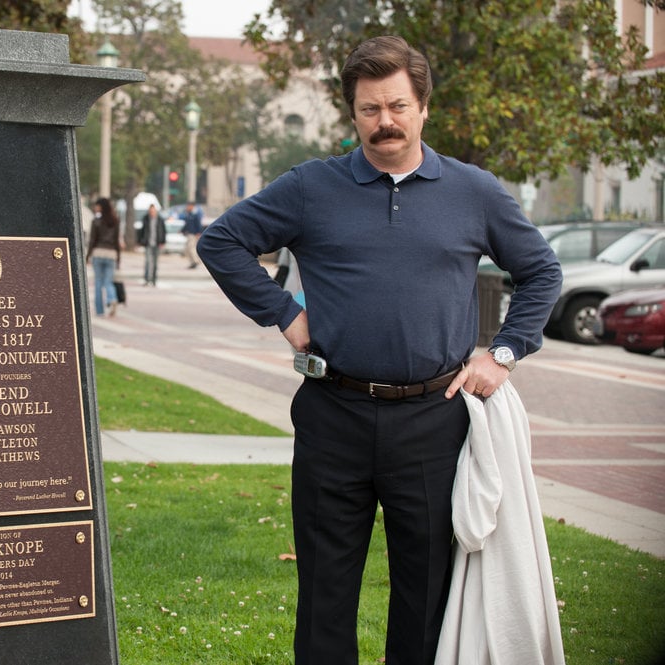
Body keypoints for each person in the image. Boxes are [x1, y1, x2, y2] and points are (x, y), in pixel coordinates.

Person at [197, 35, 562, 665]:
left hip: (432, 420)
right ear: (353, 114)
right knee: (325, 594)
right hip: (331, 415)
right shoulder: (312, 187)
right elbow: (222, 241)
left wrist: (501, 354)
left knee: (425, 597)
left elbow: (542, 274)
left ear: (423, 107)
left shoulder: (473, 192)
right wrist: (284, 313)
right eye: (370, 109)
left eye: (397, 105)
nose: (385, 121)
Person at [85, 197, 121, 317]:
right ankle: (112, 298)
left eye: (97, 205)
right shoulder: (115, 220)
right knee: (108, 281)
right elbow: (116, 241)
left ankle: (99, 310)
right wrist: (118, 257)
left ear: (101, 206)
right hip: (111, 254)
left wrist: (88, 255)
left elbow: (92, 240)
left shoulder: (96, 221)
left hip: (98, 253)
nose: (95, 208)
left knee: (98, 283)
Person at [138, 203, 167, 286]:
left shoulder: (160, 219)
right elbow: (142, 231)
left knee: (155, 263)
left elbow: (163, 231)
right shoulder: (146, 219)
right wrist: (141, 241)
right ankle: (147, 279)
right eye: (150, 211)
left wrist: (163, 241)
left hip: (157, 243)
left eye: (153, 211)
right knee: (147, 262)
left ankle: (154, 279)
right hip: (148, 243)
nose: (152, 213)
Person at [180, 201, 203, 268]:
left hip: (193, 234)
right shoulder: (188, 214)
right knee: (187, 249)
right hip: (189, 234)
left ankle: (196, 261)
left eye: (188, 206)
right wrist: (182, 231)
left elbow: (198, 224)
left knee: (191, 248)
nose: (187, 207)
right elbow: (186, 225)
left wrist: (199, 233)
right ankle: (192, 262)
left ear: (192, 206)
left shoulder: (195, 214)